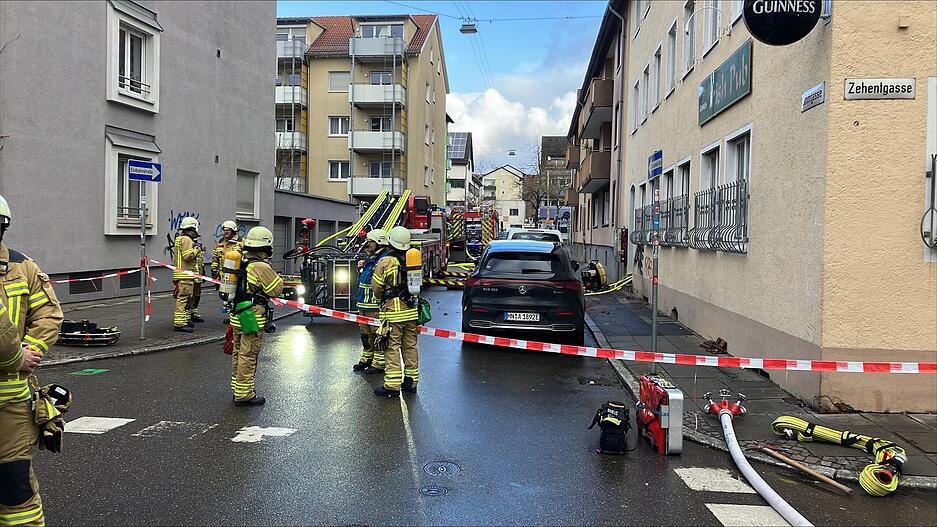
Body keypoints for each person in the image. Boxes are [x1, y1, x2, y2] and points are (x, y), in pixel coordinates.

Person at [0, 193, 64, 527]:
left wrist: (30, 351)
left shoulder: (21, 267)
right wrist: (15, 356)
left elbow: (49, 314)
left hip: (11, 405)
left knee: (15, 486)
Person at [229, 226, 283, 406]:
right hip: (252, 318)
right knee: (249, 355)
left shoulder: (241, 262)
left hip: (237, 314)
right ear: (266, 246)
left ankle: (237, 389)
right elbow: (276, 289)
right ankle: (244, 395)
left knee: (238, 353)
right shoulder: (260, 266)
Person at [371, 226, 419, 397]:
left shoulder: (386, 262)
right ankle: (411, 382)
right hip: (411, 311)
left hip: (393, 313)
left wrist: (380, 299)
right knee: (410, 346)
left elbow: (377, 287)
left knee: (391, 347)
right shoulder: (412, 259)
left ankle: (392, 385)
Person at [352, 228, 390, 373]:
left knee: (377, 334)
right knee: (365, 335)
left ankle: (379, 363)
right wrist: (360, 269)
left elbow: (377, 282)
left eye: (370, 242)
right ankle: (367, 358)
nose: (367, 244)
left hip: (374, 305)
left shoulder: (383, 259)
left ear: (379, 243)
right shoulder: (372, 258)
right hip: (364, 304)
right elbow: (364, 279)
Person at [172, 217, 201, 333]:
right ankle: (180, 323)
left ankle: (184, 320)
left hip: (182, 274)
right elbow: (188, 256)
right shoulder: (187, 239)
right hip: (186, 274)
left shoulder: (180, 238)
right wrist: (197, 249)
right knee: (184, 298)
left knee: (186, 298)